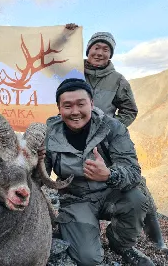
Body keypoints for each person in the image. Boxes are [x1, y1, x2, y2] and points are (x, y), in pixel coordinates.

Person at [83, 31, 168, 256]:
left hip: (109, 143)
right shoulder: (72, 72)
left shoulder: (118, 80)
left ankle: (158, 242)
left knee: (136, 185)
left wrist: (113, 128)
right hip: (77, 139)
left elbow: (130, 110)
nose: (100, 52)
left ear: (110, 54)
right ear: (88, 50)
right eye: (96, 47)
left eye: (106, 49)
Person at [45, 78, 154, 266]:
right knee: (88, 258)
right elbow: (38, 176)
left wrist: (109, 175)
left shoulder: (112, 128)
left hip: (110, 192)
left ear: (92, 103)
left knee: (136, 199)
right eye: (67, 106)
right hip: (76, 199)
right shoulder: (48, 135)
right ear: (59, 108)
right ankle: (76, 228)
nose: (75, 112)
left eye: (81, 104)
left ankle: (121, 244)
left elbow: (133, 171)